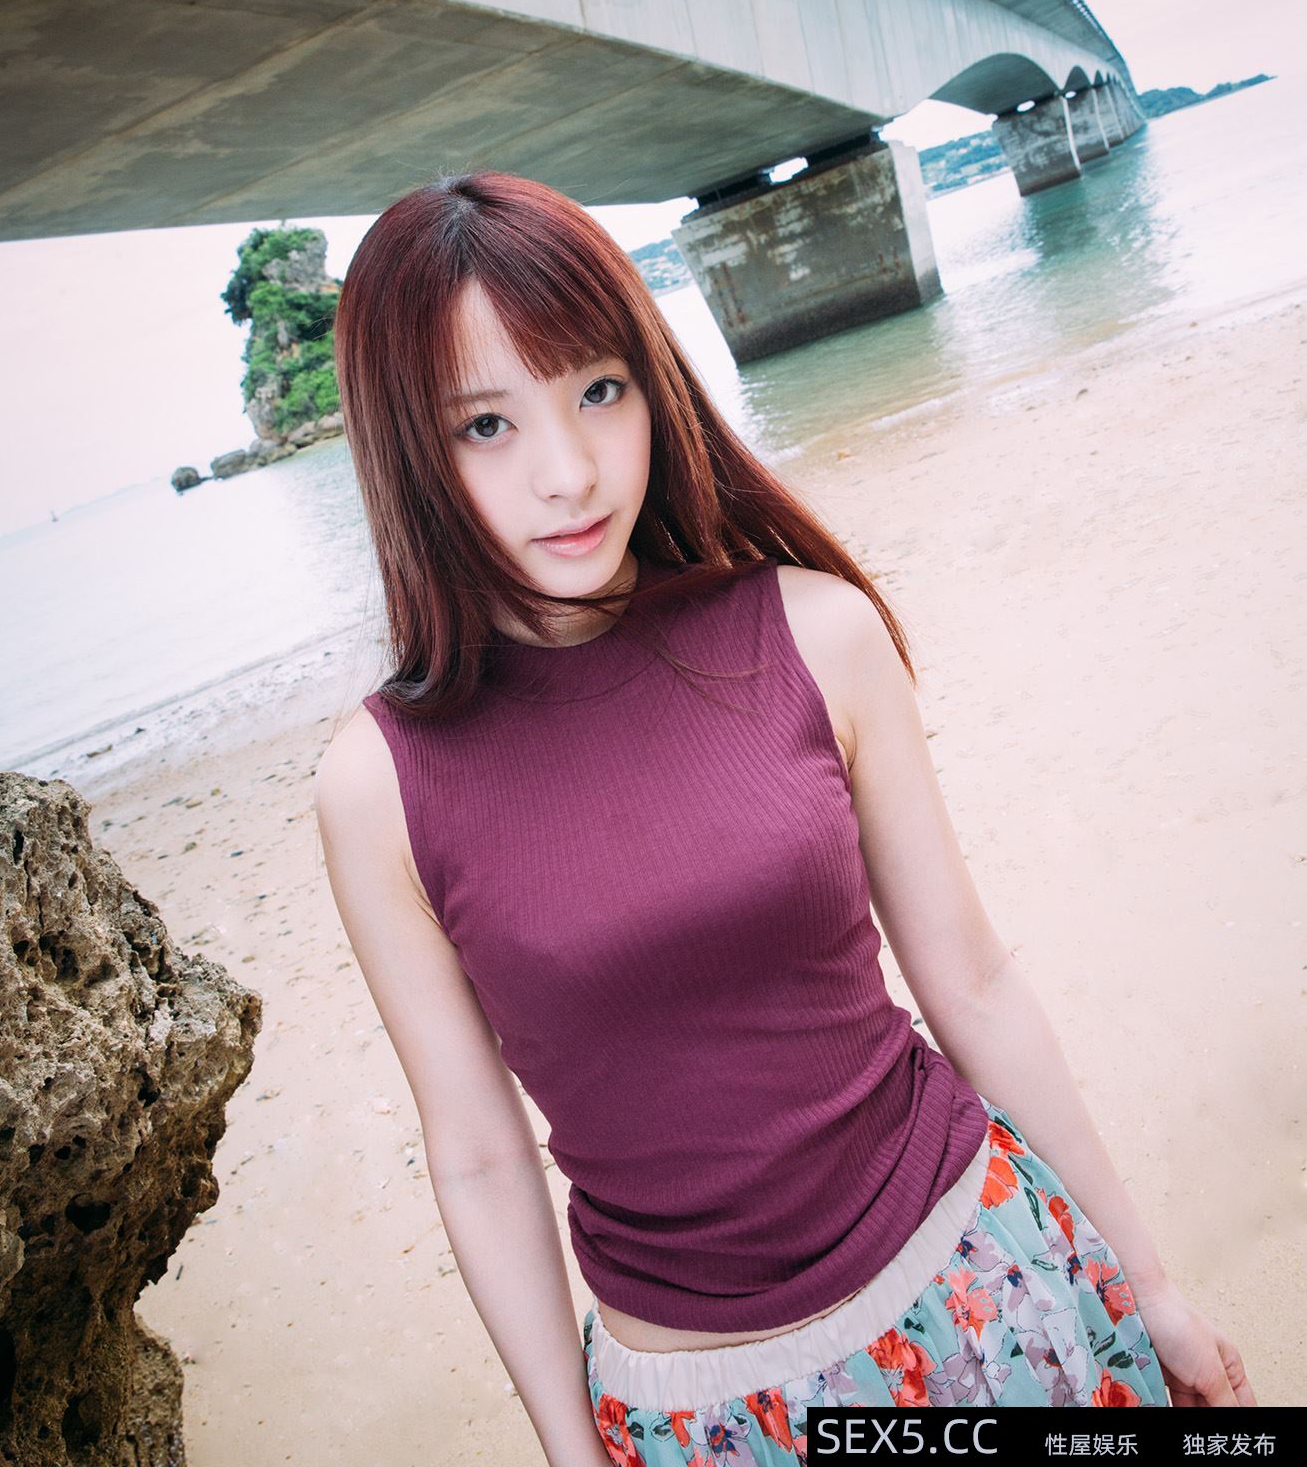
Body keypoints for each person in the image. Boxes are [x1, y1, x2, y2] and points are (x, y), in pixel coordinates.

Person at [315, 171, 1253, 1465]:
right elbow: (477, 1154)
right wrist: (572, 1455)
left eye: (599, 390)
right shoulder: (380, 785)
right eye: (486, 424)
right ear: (407, 451)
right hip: (712, 1414)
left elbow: (971, 980)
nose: (569, 472)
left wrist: (1148, 1284)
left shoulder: (815, 633)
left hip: (987, 1285)